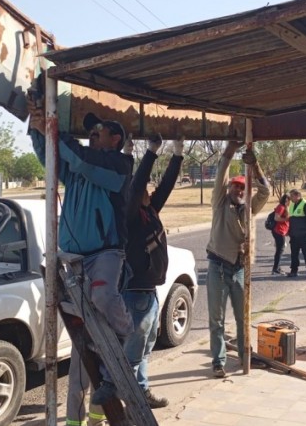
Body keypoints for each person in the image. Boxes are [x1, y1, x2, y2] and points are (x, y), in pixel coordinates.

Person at [26, 104, 135, 425]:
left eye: (97, 131)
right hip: (73, 261)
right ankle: (82, 421)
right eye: (89, 131)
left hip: (105, 255)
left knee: (103, 296)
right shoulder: (77, 167)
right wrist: (37, 131)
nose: (91, 134)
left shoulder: (119, 164)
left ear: (115, 138)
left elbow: (80, 159)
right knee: (81, 352)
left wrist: (52, 129)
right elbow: (51, 159)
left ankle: (127, 333)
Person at [123, 134, 184, 409]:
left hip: (149, 292)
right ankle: (127, 400)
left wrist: (178, 154)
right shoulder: (132, 215)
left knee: (146, 348)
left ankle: (141, 392)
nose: (149, 190)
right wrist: (150, 152)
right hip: (135, 294)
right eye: (144, 189)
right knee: (133, 354)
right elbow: (136, 186)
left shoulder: (150, 210)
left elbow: (167, 186)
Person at [206, 141, 270, 378]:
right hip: (218, 267)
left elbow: (266, 191)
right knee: (217, 319)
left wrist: (255, 166)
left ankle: (245, 356)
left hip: (240, 269)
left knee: (243, 318)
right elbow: (220, 177)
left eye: (243, 189)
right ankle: (218, 361)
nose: (239, 192)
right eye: (235, 188)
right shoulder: (220, 204)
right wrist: (230, 152)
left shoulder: (248, 209)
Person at [286, 189, 306, 279]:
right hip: (294, 235)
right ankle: (293, 271)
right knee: (294, 254)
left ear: (298, 195)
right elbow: (291, 219)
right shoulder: (292, 205)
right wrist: (290, 232)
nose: (290, 198)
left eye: (292, 196)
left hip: (304, 234)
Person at [270, 194, 290, 274]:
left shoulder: (285, 207)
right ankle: (276, 268)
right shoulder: (281, 207)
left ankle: (277, 267)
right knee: (279, 250)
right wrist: (286, 219)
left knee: (280, 249)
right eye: (288, 200)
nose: (288, 202)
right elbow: (276, 218)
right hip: (278, 231)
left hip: (281, 231)